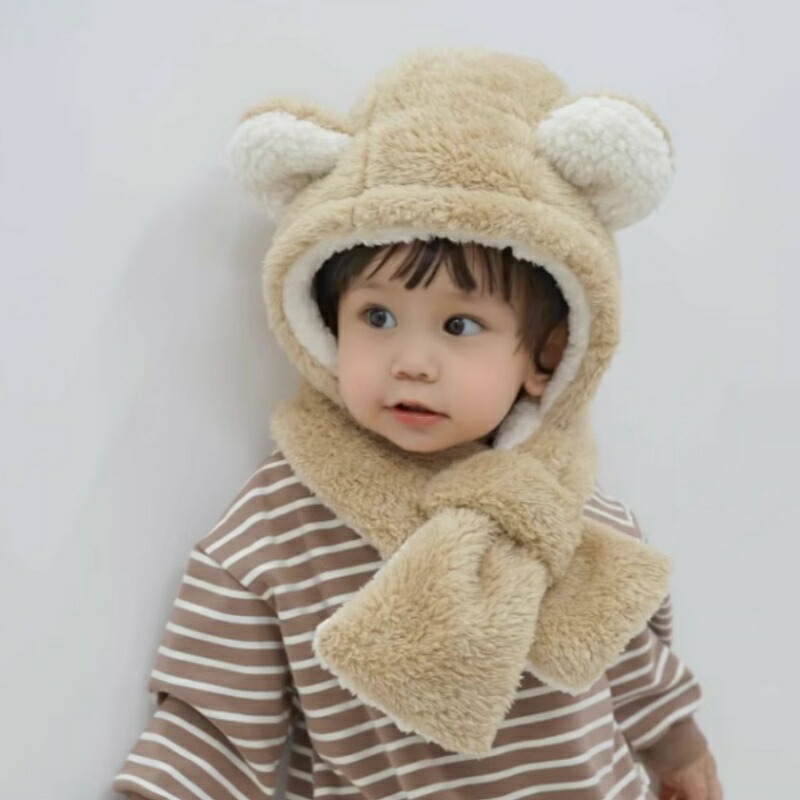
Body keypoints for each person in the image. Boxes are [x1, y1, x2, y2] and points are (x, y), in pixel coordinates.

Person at [113, 48, 722, 800]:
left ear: (546, 355)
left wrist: (679, 749)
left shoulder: (561, 506)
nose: (411, 362)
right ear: (326, 325)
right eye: (377, 317)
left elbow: (622, 654)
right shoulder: (279, 529)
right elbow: (211, 727)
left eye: (460, 325)